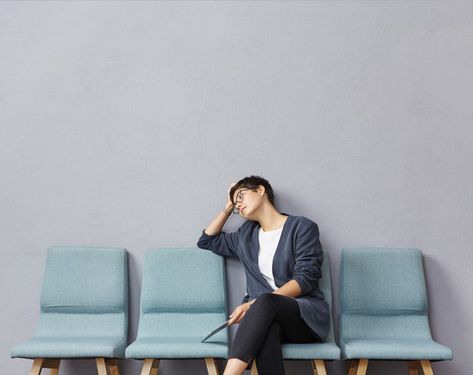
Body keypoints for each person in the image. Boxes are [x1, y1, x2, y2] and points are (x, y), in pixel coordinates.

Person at [196, 175, 330, 375]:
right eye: (235, 204)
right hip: (265, 318)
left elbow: (305, 279)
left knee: (264, 303)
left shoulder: (302, 227)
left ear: (260, 190)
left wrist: (254, 304)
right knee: (267, 329)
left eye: (241, 196)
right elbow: (206, 241)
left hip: (303, 317)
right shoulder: (245, 236)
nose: (238, 205)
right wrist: (227, 207)